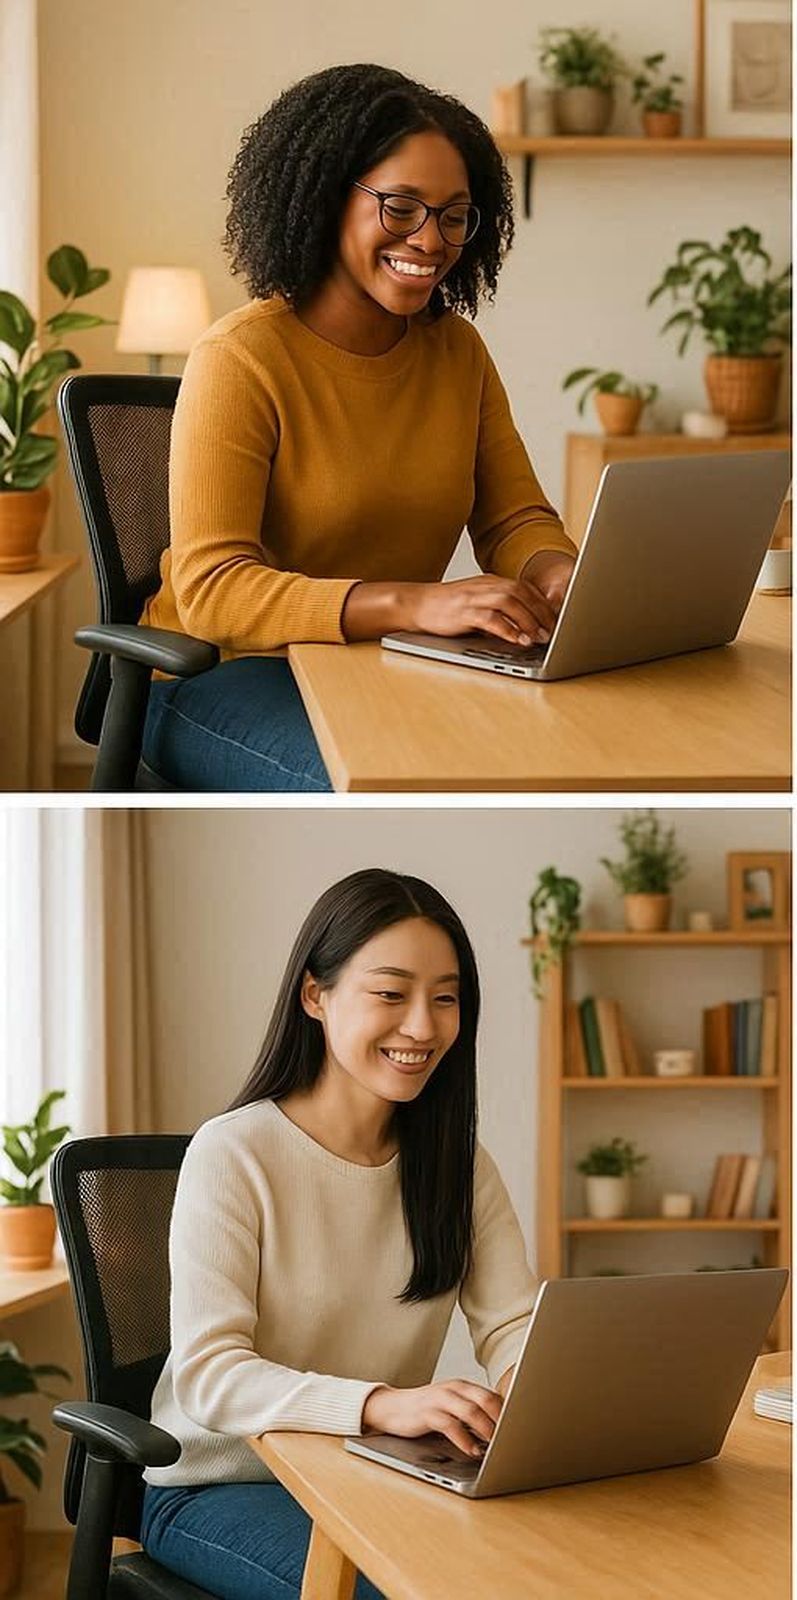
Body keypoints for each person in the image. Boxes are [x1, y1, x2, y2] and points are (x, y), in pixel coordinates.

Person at [139, 65, 577, 791]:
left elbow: (513, 519)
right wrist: (415, 602)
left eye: (454, 216)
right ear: (326, 198)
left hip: (380, 661)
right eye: (401, 208)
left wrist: (555, 574)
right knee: (385, 786)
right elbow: (215, 591)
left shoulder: (456, 352)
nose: (430, 240)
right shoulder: (240, 357)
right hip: (218, 674)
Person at [139, 869, 536, 1599]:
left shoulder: (458, 1164)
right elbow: (209, 1375)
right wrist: (383, 1404)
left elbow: (513, 1324)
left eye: (445, 998)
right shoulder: (235, 1152)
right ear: (315, 995)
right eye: (390, 994)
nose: (423, 1027)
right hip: (221, 1486)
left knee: (540, 1568)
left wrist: (539, 1406)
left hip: (370, 1471)